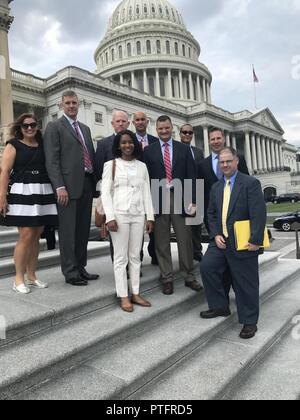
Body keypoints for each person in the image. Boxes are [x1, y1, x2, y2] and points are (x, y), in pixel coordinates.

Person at [200, 147, 267, 339]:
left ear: (236, 161)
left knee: (246, 283)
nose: (225, 165)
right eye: (222, 162)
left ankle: (249, 321)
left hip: (244, 241)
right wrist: (215, 234)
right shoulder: (216, 187)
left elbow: (258, 213)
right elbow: (211, 214)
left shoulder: (251, 183)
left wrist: (255, 240)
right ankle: (220, 307)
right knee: (207, 267)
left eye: (228, 161)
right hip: (221, 241)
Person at [44, 91, 99, 286]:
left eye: (74, 103)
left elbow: (90, 154)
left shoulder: (84, 128)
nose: (71, 106)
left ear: (78, 104)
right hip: (66, 187)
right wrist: (59, 186)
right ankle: (70, 271)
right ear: (61, 105)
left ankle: (80, 267)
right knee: (68, 232)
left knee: (83, 230)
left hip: (86, 183)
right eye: (67, 103)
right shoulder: (54, 127)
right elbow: (52, 159)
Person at [144, 115, 202, 295]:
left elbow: (192, 175)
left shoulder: (183, 149)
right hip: (158, 197)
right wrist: (148, 206)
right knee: (161, 240)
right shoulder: (148, 151)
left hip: (181, 197)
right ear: (156, 129)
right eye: (160, 129)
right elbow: (145, 180)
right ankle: (167, 278)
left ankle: (189, 276)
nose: (164, 131)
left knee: (185, 239)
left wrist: (194, 200)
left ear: (172, 128)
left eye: (166, 128)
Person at [0, 113, 57, 294]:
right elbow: (4, 171)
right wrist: (1, 196)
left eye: (33, 125)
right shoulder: (13, 144)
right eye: (26, 126)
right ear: (20, 128)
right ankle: (18, 278)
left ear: (37, 126)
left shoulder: (42, 145)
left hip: (42, 191)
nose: (30, 128)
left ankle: (32, 276)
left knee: (36, 235)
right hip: (22, 191)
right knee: (26, 235)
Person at [101, 130, 154, 312]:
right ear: (118, 145)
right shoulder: (111, 165)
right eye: (123, 142)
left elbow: (146, 192)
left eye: (130, 142)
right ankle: (123, 295)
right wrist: (110, 217)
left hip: (138, 214)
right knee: (120, 257)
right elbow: (105, 193)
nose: (127, 145)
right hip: (120, 215)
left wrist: (150, 216)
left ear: (135, 144)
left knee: (135, 256)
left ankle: (136, 293)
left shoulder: (142, 166)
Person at [198, 127, 249, 231]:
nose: (216, 141)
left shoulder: (239, 158)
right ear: (208, 141)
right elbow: (202, 191)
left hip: (237, 213)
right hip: (213, 217)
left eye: (218, 138)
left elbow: (246, 184)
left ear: (224, 139)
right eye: (213, 139)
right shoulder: (202, 164)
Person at [132, 111, 159, 265]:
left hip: (154, 187)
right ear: (133, 122)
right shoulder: (128, 141)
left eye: (143, 119)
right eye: (137, 120)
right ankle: (138, 258)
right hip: (135, 189)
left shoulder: (156, 141)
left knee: (154, 223)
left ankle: (155, 254)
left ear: (148, 122)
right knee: (136, 226)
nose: (141, 122)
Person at [180, 124, 204, 261]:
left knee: (196, 225)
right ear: (180, 134)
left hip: (196, 190)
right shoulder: (175, 150)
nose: (187, 135)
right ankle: (186, 252)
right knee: (183, 227)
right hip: (180, 192)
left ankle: (197, 250)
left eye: (190, 132)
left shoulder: (198, 152)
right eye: (184, 132)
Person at [95, 110, 130, 180]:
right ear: (112, 124)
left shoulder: (134, 143)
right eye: (118, 121)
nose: (120, 124)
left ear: (128, 124)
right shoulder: (103, 144)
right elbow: (99, 170)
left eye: (123, 121)